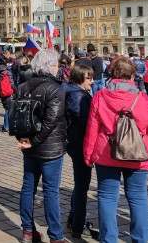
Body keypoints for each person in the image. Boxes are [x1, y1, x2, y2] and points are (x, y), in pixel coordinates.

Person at [83, 57, 148, 243]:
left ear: (113, 74)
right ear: (133, 74)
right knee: (138, 197)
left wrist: (88, 153)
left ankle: (109, 239)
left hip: (106, 152)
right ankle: (140, 239)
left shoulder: (101, 96)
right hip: (138, 153)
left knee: (107, 197)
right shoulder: (144, 99)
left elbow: (92, 128)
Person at [15, 49, 67, 243]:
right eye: (57, 65)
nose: (58, 68)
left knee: (28, 188)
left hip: (30, 146)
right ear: (52, 66)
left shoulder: (24, 86)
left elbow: (16, 118)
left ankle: (28, 231)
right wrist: (33, 141)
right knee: (51, 191)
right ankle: (56, 236)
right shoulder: (55, 89)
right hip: (49, 147)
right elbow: (51, 121)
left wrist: (24, 139)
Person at [63, 64, 98, 239]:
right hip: (79, 142)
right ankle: (78, 223)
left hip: (74, 141)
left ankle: (74, 217)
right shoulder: (77, 95)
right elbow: (84, 119)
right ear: (78, 79)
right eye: (88, 78)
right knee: (82, 184)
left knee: (80, 183)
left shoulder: (73, 91)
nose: (92, 82)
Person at [0, 55, 15, 133]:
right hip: (9, 92)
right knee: (9, 110)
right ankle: (7, 127)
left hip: (2, 92)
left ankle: (5, 126)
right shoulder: (8, 72)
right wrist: (16, 90)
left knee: (6, 109)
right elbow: (12, 83)